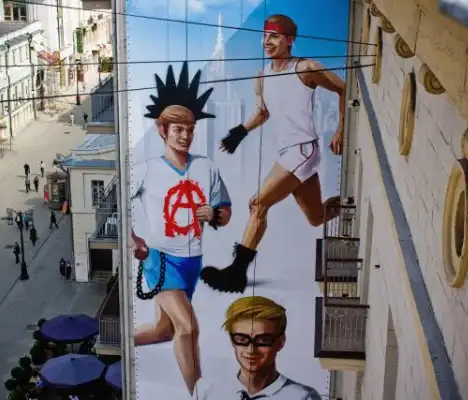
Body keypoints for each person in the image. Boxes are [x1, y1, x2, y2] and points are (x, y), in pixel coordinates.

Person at [200, 14, 346, 294]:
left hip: (302, 150)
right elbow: (263, 112)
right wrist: (239, 132)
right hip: (288, 152)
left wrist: (340, 129)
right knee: (316, 217)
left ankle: (236, 274)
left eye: (275, 36)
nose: (267, 41)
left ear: (289, 40)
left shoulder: (306, 68)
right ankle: (348, 203)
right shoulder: (262, 76)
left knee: (258, 204)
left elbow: (343, 88)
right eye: (265, 36)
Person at [131, 62, 232, 394]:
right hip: (160, 260)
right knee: (188, 328)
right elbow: (116, 204)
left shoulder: (206, 168)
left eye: (190, 130)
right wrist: (133, 240)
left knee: (165, 331)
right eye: (178, 130)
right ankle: (198, 393)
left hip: (192, 262)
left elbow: (226, 212)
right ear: (162, 131)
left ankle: (114, 340)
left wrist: (213, 214)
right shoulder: (146, 170)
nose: (185, 136)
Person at [194, 296, 322, 399]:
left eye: (262, 340)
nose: (251, 350)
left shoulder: (303, 396)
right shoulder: (208, 392)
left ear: (280, 342)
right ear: (232, 341)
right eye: (241, 339)